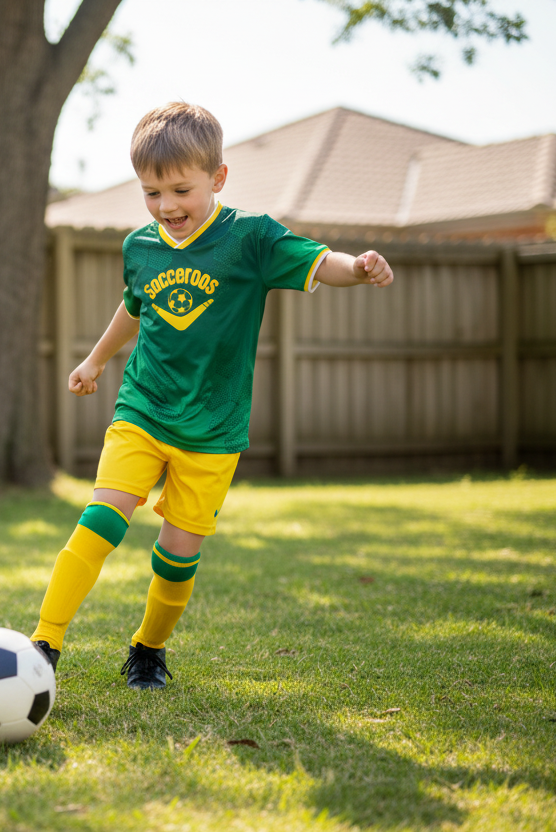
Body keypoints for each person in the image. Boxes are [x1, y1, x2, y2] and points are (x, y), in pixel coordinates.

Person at [30, 102, 394, 689]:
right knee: (102, 518)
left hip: (214, 430)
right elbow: (134, 306)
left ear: (217, 179)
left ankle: (148, 650)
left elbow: (322, 261)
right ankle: (44, 641)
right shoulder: (140, 247)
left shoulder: (250, 237)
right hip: (143, 408)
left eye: (180, 190)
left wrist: (361, 266)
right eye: (151, 193)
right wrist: (96, 359)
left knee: (176, 557)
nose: (166, 206)